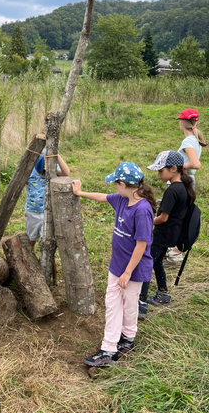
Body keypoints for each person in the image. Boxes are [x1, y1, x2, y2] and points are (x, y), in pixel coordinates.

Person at [72, 162, 156, 367]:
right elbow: (103, 197)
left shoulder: (142, 210)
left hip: (132, 270)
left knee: (129, 302)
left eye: (115, 184)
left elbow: (141, 245)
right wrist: (79, 193)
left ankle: (120, 343)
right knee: (113, 303)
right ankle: (114, 343)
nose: (114, 188)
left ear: (123, 184)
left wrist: (127, 273)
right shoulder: (122, 199)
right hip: (117, 265)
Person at [139, 151, 195, 316]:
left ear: (173, 169)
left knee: (146, 265)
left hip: (162, 235)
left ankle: (140, 303)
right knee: (156, 263)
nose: (158, 174)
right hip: (172, 234)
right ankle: (163, 293)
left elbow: (163, 218)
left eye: (160, 170)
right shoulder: (183, 187)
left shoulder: (172, 190)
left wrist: (145, 223)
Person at [165, 108, 207, 265]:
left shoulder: (188, 141)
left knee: (174, 216)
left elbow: (195, 164)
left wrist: (178, 166)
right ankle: (174, 250)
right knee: (179, 215)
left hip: (182, 182)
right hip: (187, 182)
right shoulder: (195, 140)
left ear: (181, 123)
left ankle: (173, 254)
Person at [25, 149, 70, 250]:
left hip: (49, 212)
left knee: (47, 241)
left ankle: (47, 263)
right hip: (32, 211)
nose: (43, 173)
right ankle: (31, 260)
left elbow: (66, 172)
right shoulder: (28, 171)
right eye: (41, 171)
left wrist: (56, 155)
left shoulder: (52, 169)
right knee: (31, 239)